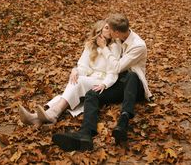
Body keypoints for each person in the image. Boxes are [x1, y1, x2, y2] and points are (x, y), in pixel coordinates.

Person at [52, 13, 151, 151]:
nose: (107, 31)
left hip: (136, 87)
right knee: (92, 94)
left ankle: (123, 122)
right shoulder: (117, 40)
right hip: (119, 85)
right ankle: (85, 135)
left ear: (116, 32)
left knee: (132, 76)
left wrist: (104, 48)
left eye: (109, 29)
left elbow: (116, 67)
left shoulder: (138, 45)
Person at [19, 20, 121, 126]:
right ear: (98, 31)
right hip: (89, 79)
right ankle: (38, 117)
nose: (110, 30)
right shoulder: (90, 46)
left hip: (102, 82)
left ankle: (48, 114)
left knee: (78, 82)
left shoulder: (115, 46)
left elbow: (114, 71)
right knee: (75, 80)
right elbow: (83, 66)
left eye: (111, 28)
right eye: (106, 28)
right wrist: (75, 70)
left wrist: (105, 84)